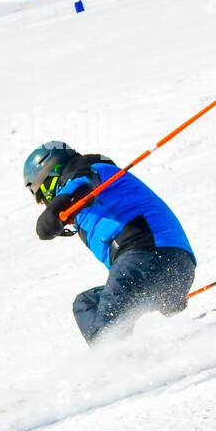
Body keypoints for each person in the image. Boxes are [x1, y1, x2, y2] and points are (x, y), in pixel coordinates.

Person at [24, 142, 197, 344]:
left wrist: (54, 213)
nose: (45, 204)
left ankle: (115, 367)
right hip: (174, 269)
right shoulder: (98, 195)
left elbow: (80, 187)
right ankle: (124, 359)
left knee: (106, 335)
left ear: (48, 180)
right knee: (86, 303)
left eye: (42, 198)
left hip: (146, 255)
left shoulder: (90, 171)